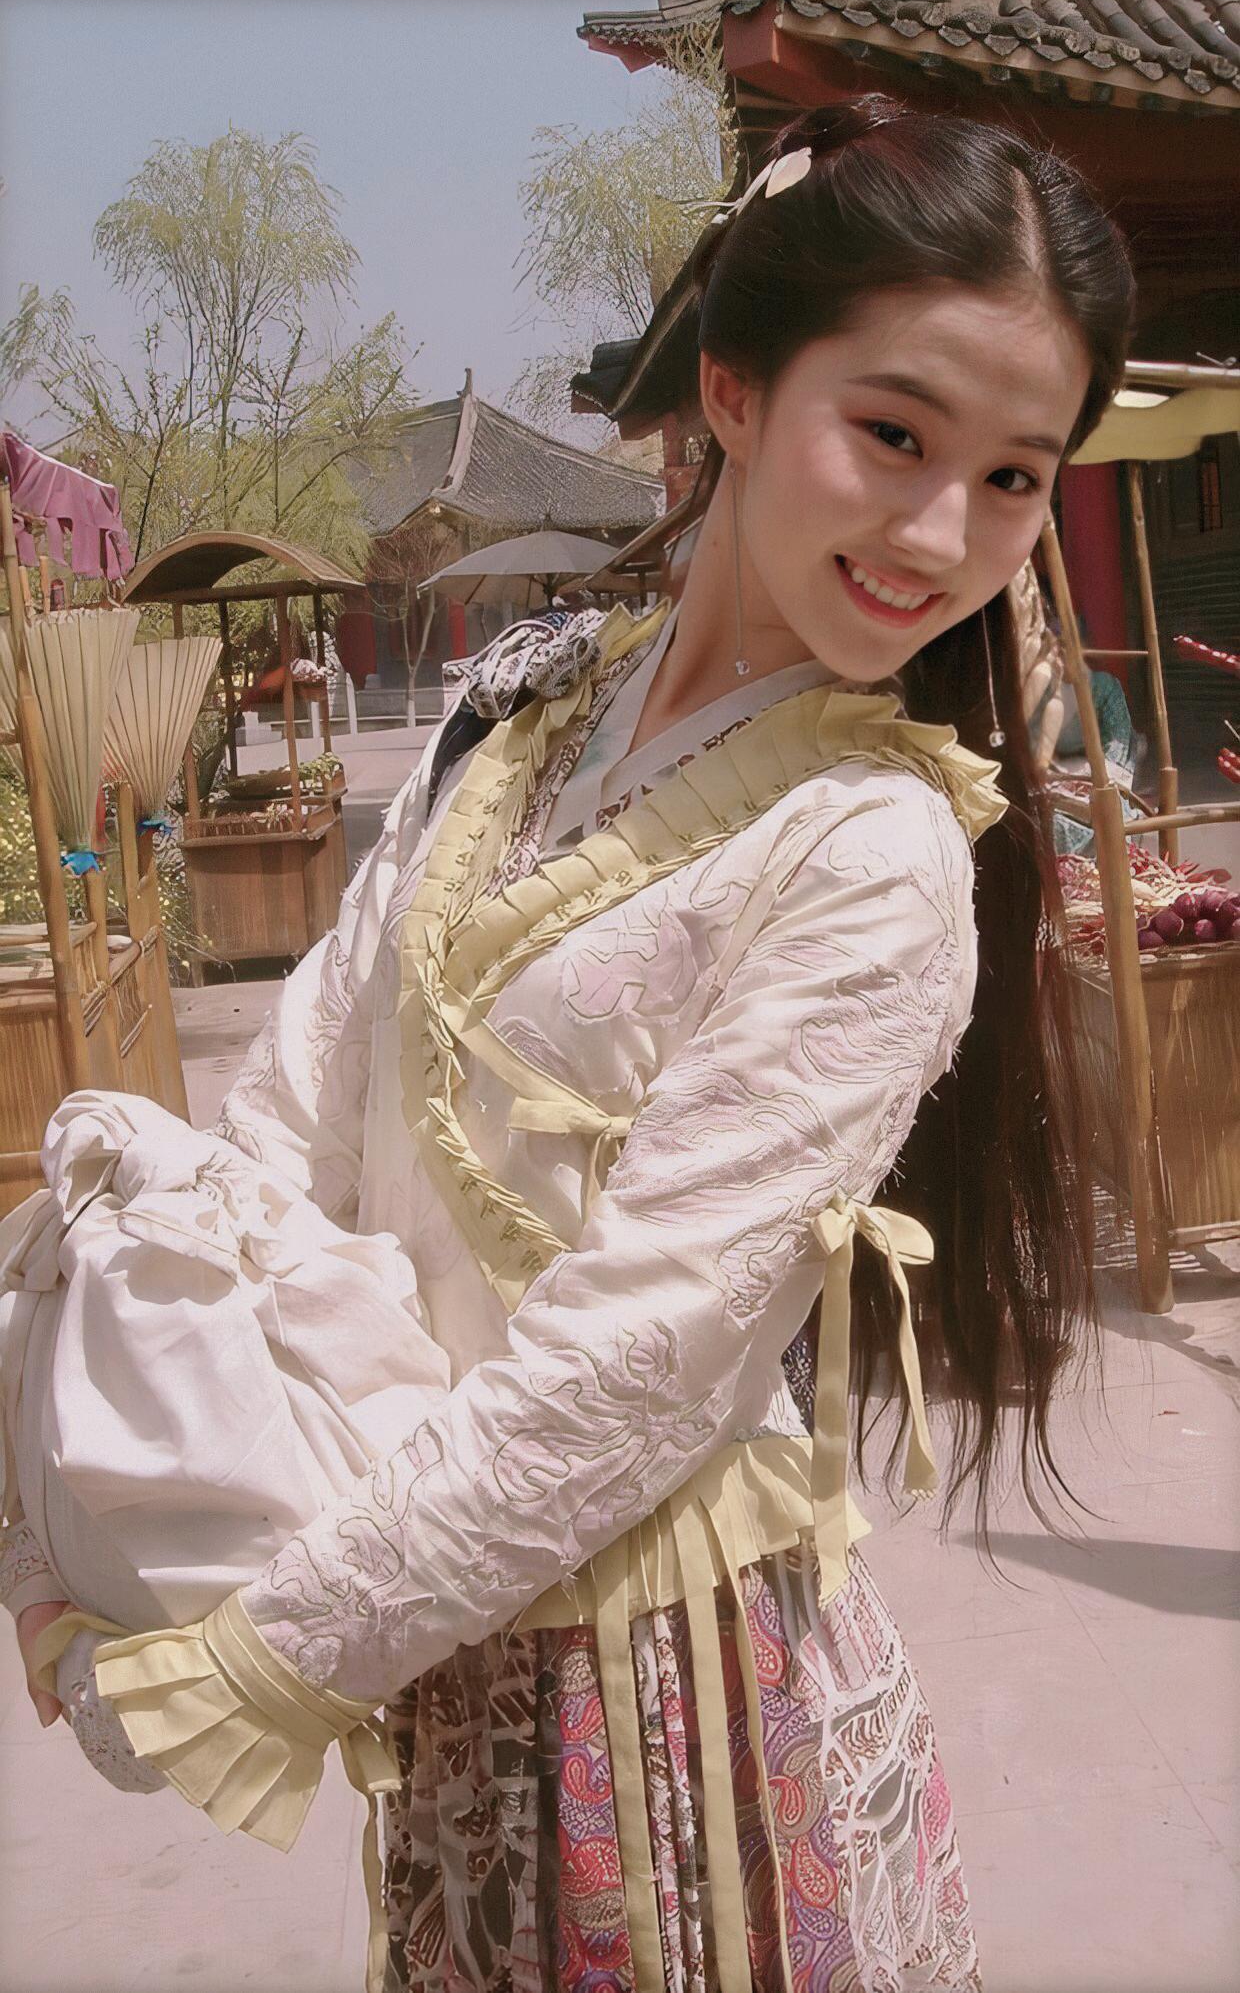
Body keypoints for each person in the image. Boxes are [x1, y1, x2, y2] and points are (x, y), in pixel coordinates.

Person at [4, 97, 1134, 1992]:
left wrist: (259, 1656)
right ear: (735, 390)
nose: (946, 532)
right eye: (896, 433)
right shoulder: (522, 707)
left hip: (671, 1738)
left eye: (1016, 476)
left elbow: (633, 1369)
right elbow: (296, 1110)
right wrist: (111, 1427)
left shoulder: (868, 855)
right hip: (439, 1655)